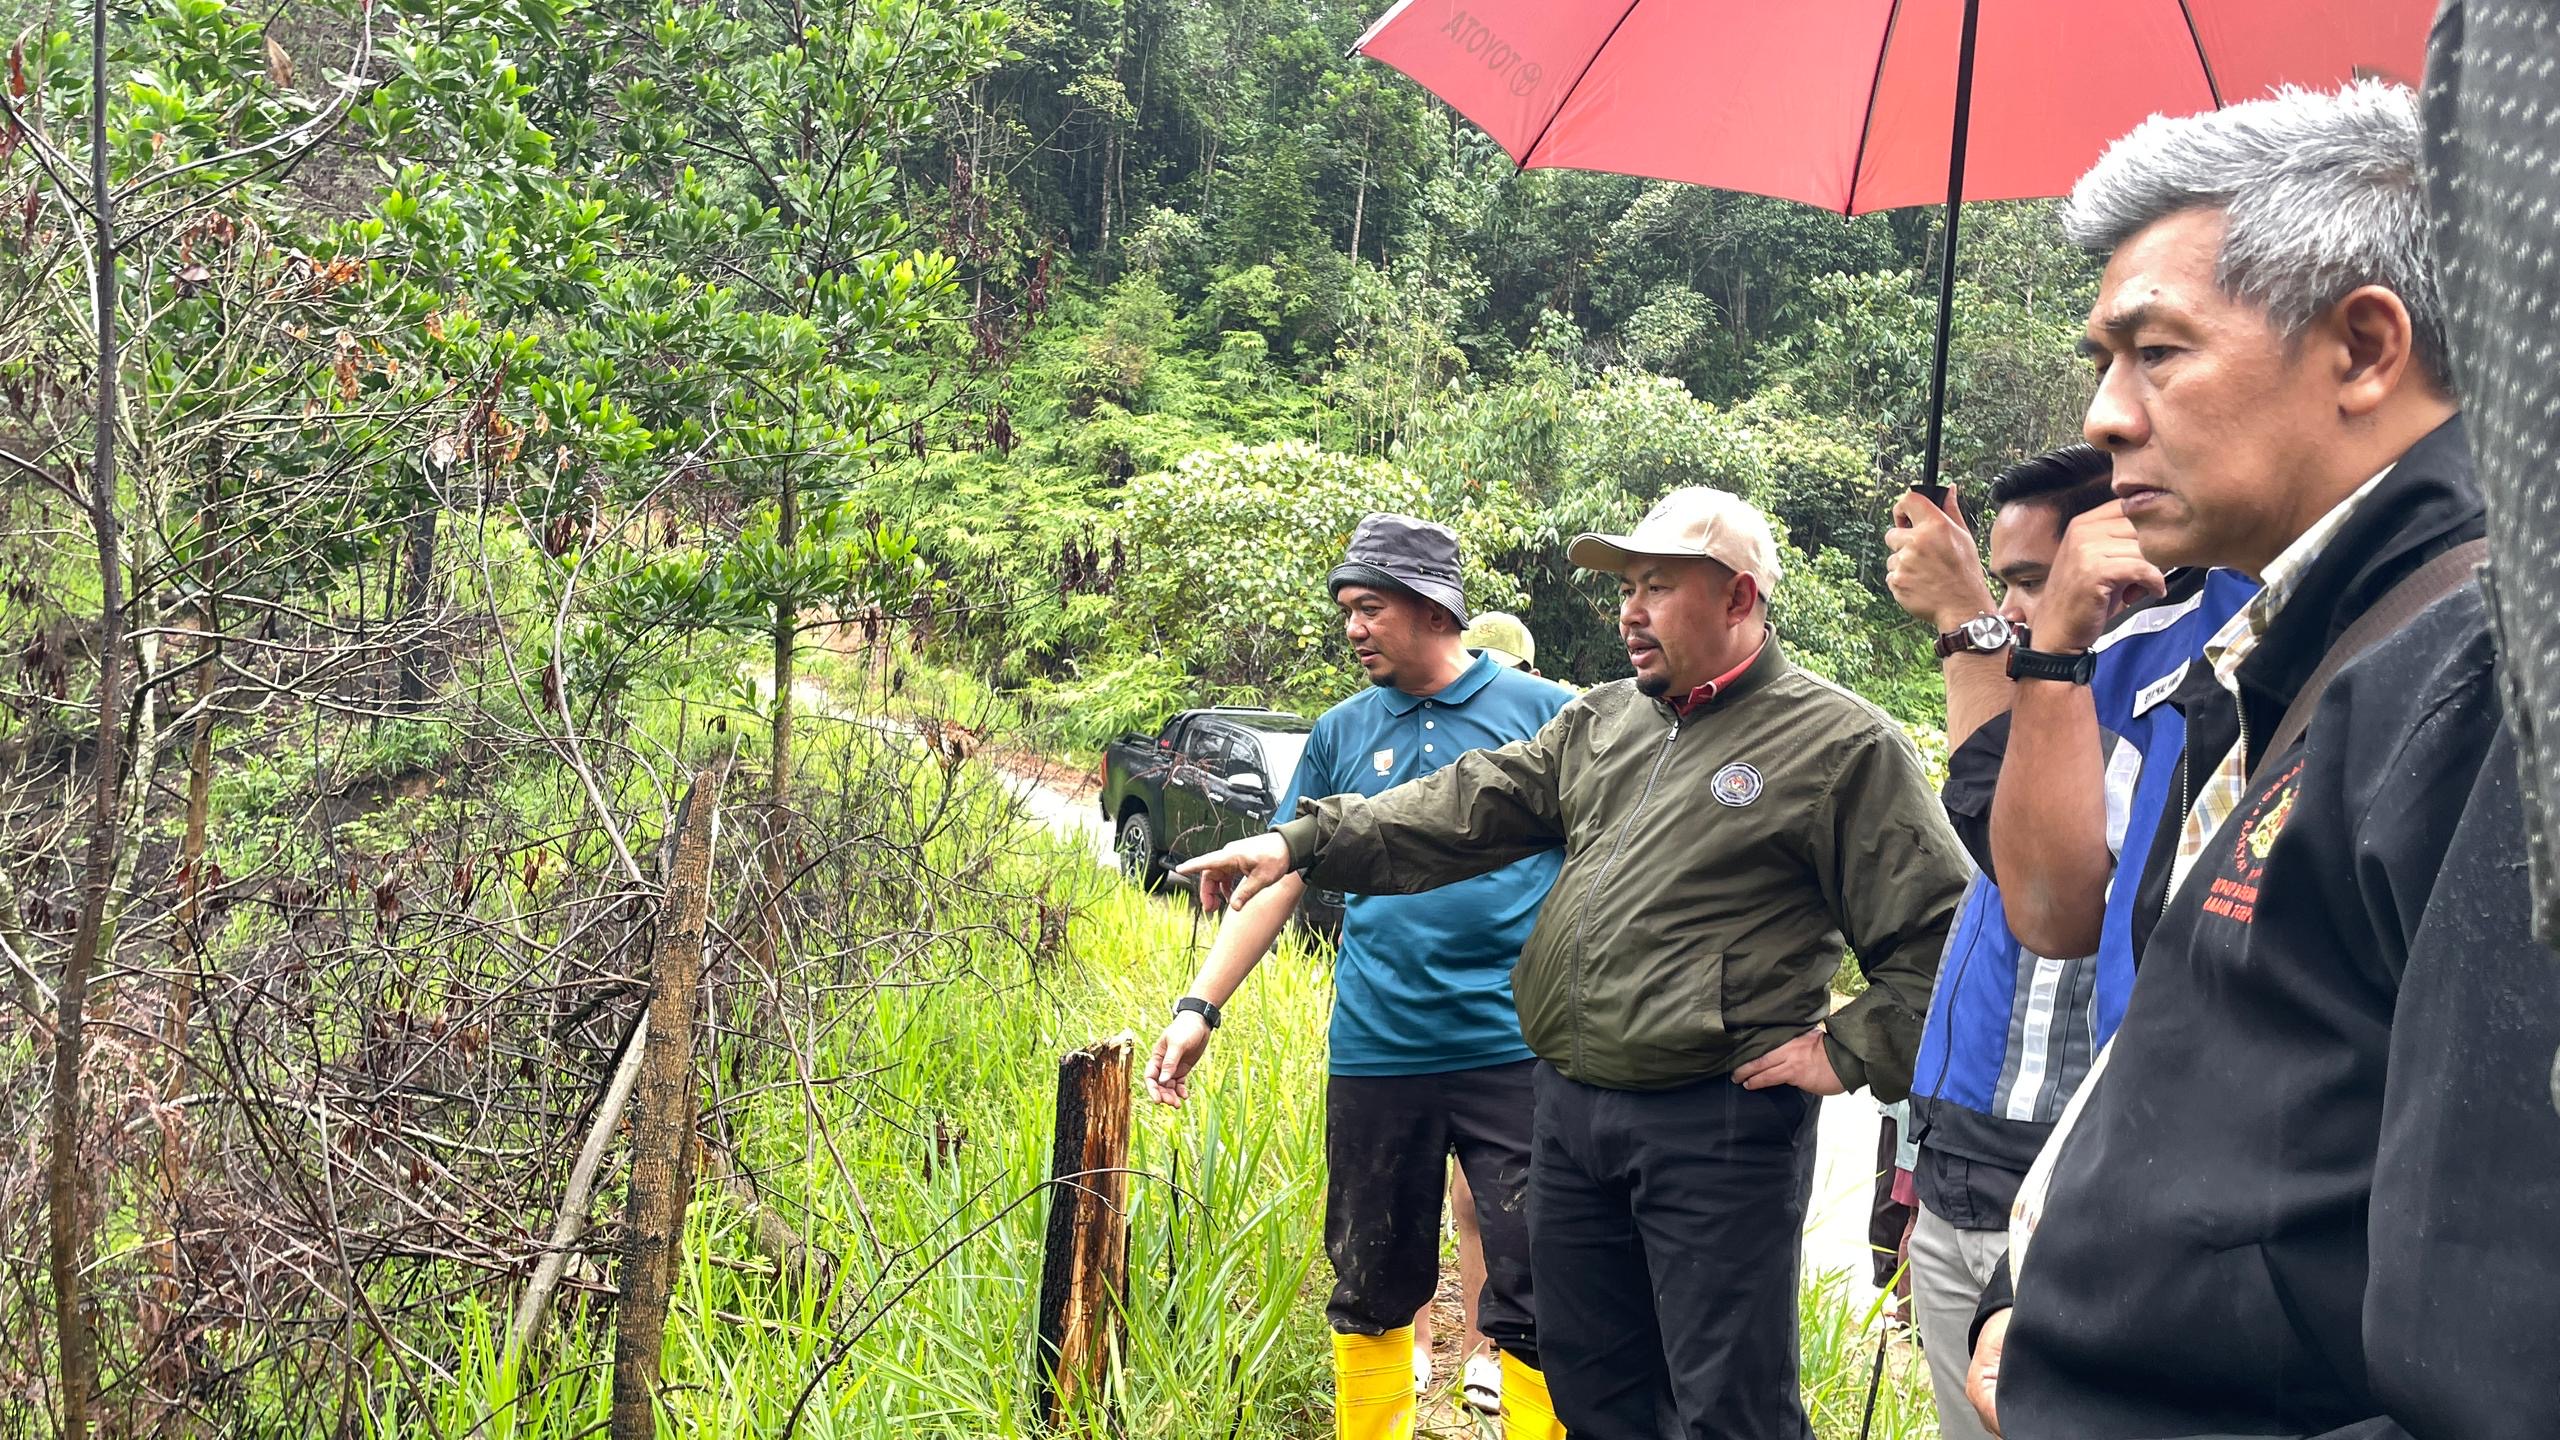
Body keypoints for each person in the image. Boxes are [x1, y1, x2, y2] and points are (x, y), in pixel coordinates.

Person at [1963, 82, 2560, 1439]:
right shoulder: (2293, 656)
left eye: (2155, 351)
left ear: (2362, 347)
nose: (2104, 415)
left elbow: (2504, 1350)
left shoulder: (2485, 676)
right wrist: (2038, 1285)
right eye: (2101, 357)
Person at [1179, 487, 1968, 1440]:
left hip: (1713, 1123)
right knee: (1592, 1382)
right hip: (1570, 1110)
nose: (1629, 610)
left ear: (1739, 599)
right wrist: (1302, 843)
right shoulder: (1605, 722)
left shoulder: (1836, 742)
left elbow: (1942, 932)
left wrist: (1847, 1049)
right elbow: (1463, 804)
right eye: (1626, 586)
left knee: (1725, 1401)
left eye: (1658, 586)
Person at [1142, 513, 1573, 1440]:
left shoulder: (1545, 714)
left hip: (1519, 1048)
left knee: (1545, 1279)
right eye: (1347, 609)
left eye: (1369, 608)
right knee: (1371, 1276)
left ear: (1431, 608)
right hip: (1381, 1049)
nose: (1353, 629)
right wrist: (1198, 1007)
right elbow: (1278, 877)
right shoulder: (1342, 731)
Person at [1880, 448, 2253, 1440]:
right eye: (2004, 586)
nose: (2020, 617)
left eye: (2034, 586)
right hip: (1963, 1153)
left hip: (2062, 1175)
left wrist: (1969, 623)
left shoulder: (2172, 672)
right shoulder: (2055, 676)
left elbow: (2029, 876)